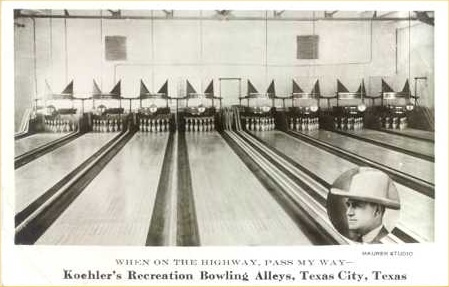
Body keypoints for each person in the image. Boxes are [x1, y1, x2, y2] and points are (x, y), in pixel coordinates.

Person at [330, 167, 400, 244]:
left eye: (356, 206)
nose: (348, 213)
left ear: (377, 211)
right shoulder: (360, 239)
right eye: (348, 205)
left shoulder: (387, 244)